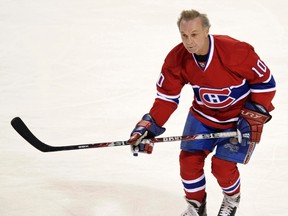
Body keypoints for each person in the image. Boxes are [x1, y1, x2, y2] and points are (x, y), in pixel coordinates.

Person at [127, 9, 276, 216]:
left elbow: (266, 84)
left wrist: (253, 116)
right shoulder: (176, 58)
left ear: (207, 30)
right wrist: (149, 126)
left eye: (194, 34)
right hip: (203, 116)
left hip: (238, 121)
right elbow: (166, 98)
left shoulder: (235, 51)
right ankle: (196, 206)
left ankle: (231, 199)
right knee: (188, 162)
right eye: (184, 35)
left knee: (222, 167)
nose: (189, 41)